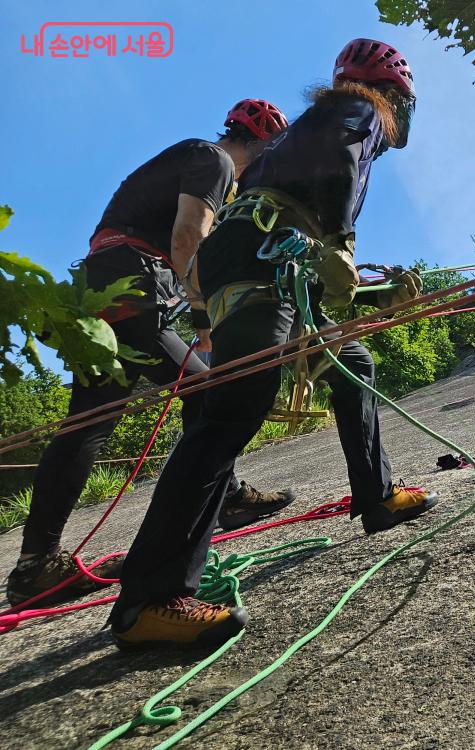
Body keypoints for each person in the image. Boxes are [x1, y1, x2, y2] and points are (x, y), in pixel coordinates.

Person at [109, 39, 433, 650]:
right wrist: (340, 245)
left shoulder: (294, 136)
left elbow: (286, 228)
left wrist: (365, 292)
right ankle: (150, 600)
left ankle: (379, 495)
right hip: (271, 257)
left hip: (258, 257)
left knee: (349, 361)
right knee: (234, 409)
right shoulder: (358, 111)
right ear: (394, 95)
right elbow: (339, 170)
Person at [5, 101, 296, 609]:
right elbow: (189, 236)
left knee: (90, 421)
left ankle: (36, 565)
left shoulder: (189, 156)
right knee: (209, 390)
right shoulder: (215, 160)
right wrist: (207, 321)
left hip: (103, 290)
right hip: (133, 288)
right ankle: (223, 499)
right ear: (259, 144)